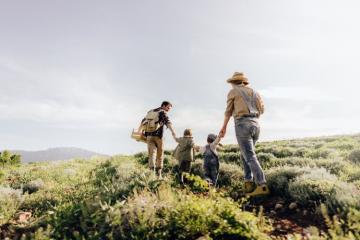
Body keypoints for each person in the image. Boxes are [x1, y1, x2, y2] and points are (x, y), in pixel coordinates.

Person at [219, 72, 269, 196]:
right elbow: (262, 109)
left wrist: (223, 127)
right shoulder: (255, 92)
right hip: (256, 124)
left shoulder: (233, 92)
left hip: (242, 124)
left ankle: (262, 185)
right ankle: (248, 182)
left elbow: (228, 112)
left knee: (250, 156)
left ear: (233, 82)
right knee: (245, 154)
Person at [140, 101, 176, 179]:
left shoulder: (150, 112)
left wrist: (141, 132)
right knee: (160, 155)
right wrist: (173, 132)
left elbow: (143, 122)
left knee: (151, 154)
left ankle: (151, 174)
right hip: (159, 137)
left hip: (149, 136)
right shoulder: (162, 112)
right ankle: (159, 175)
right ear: (163, 106)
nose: (169, 109)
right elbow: (168, 122)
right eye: (168, 107)